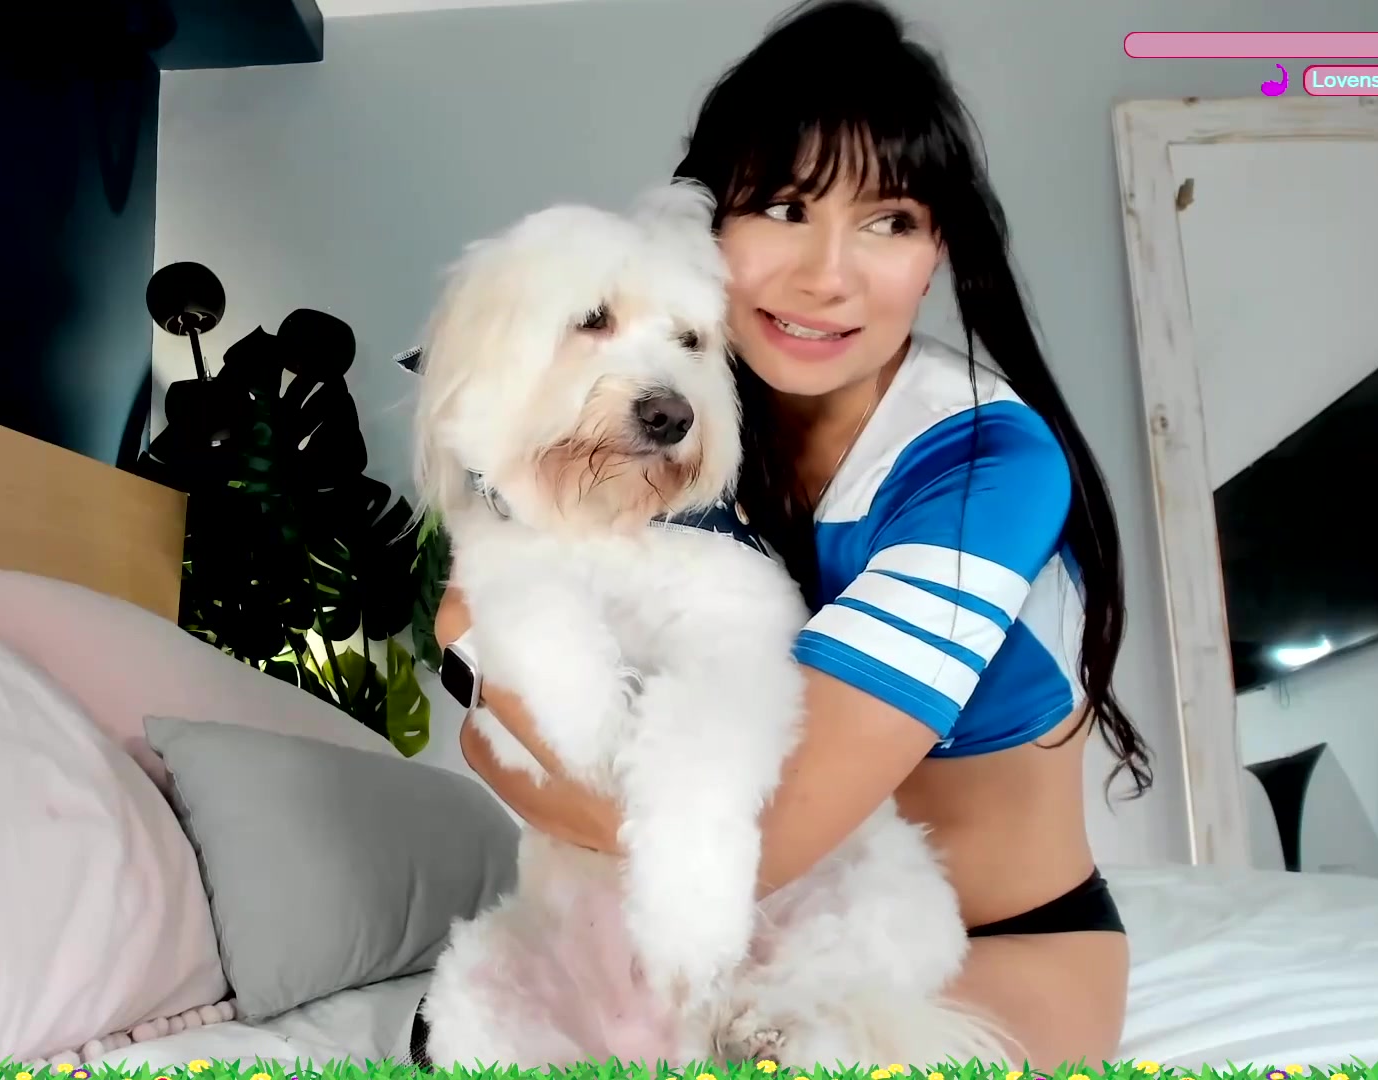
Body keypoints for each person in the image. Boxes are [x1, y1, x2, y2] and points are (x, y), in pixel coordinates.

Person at [418, 0, 1153, 1068]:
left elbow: (752, 841)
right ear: (706, 230)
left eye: (890, 221)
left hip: (995, 945)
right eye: (783, 207)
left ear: (937, 251)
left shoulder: (983, 467)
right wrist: (501, 699)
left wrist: (499, 701)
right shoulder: (679, 422)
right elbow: (490, 667)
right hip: (725, 941)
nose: (827, 275)